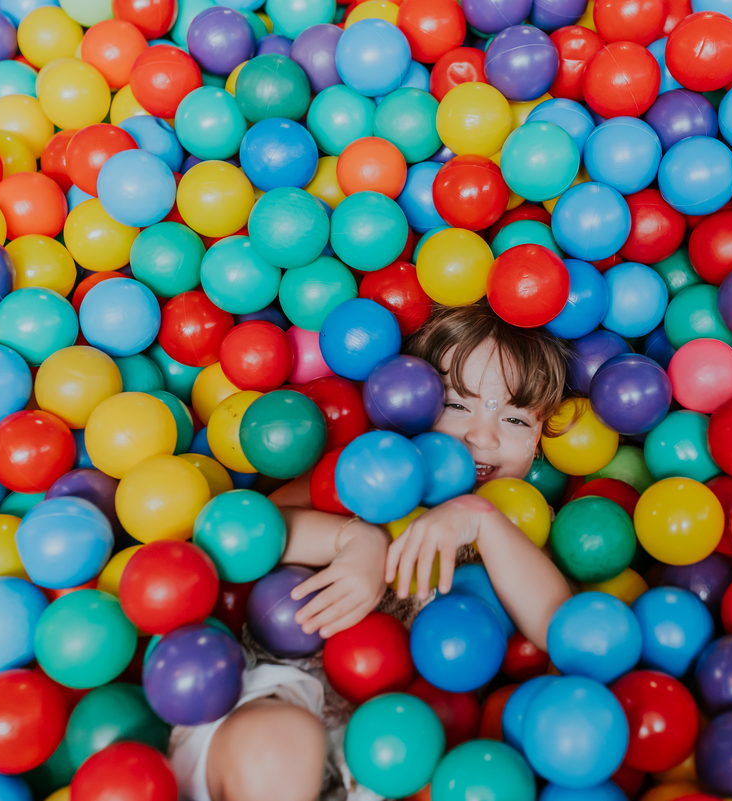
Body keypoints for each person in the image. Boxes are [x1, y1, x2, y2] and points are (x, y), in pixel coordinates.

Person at [169, 302, 575, 801]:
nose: (482, 435)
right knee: (282, 742)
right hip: (275, 696)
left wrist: (482, 521)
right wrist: (355, 539)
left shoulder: (522, 521)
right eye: (457, 404)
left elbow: (565, 631)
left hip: (402, 752)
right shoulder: (366, 467)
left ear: (539, 441)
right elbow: (252, 533)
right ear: (408, 400)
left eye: (515, 418)